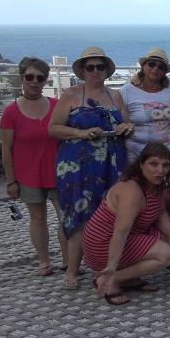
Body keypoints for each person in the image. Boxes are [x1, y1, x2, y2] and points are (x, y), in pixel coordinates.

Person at [49, 46, 132, 289]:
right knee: (79, 213)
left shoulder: (115, 96)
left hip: (111, 163)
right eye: (90, 67)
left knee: (109, 213)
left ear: (106, 70)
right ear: (83, 71)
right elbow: (53, 128)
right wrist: (82, 133)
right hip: (78, 164)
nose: (95, 71)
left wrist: (126, 128)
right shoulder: (71, 95)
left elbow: (127, 124)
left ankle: (105, 266)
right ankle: (73, 269)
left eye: (100, 66)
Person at [82, 142, 170, 305]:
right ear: (141, 164)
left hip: (128, 237)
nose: (160, 170)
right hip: (104, 243)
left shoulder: (156, 184)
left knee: (169, 241)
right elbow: (120, 232)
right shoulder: (132, 190)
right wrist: (111, 266)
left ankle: (127, 278)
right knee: (166, 255)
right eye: (153, 164)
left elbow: (160, 211)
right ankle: (110, 279)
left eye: (165, 165)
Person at [0, 57, 67, 276]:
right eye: (30, 77)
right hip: (28, 175)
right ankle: (44, 261)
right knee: (38, 219)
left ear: (46, 80)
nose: (35, 82)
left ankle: (69, 261)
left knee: (65, 217)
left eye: (40, 77)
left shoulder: (57, 106)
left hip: (58, 172)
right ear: (22, 78)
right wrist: (11, 181)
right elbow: (6, 149)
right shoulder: (11, 112)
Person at [121, 48, 170, 217]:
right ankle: (142, 231)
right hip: (137, 153)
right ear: (143, 66)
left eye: (161, 66)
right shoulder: (127, 91)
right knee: (138, 196)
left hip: (169, 152)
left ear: (165, 71)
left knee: (168, 197)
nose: (155, 69)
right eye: (151, 64)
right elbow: (120, 120)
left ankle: (169, 231)